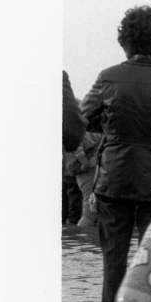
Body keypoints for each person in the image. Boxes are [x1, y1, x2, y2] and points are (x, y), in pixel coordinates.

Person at [81, 6, 151, 302]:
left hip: (115, 180)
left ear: (125, 43)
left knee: (113, 263)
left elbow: (83, 119)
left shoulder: (109, 77)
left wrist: (109, 127)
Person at [62, 71, 86, 225]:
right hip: (73, 169)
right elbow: (78, 147)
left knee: (66, 200)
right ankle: (71, 227)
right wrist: (85, 162)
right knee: (74, 201)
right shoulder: (75, 124)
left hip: (67, 168)